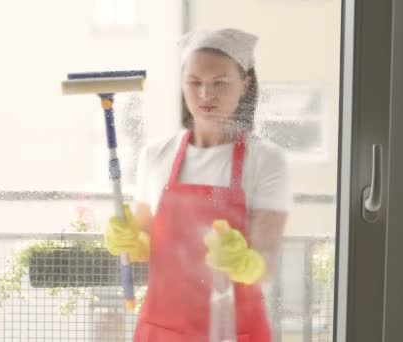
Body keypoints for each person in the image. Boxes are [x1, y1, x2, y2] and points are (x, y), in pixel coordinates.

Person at [105, 28, 291, 342]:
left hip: (232, 331)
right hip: (162, 330)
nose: (206, 95)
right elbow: (145, 241)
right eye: (195, 83)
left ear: (244, 85)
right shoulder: (156, 156)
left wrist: (246, 262)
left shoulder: (265, 160)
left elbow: (268, 258)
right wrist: (129, 240)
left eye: (220, 83)